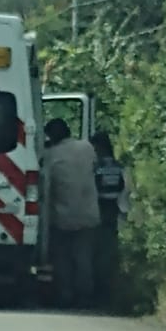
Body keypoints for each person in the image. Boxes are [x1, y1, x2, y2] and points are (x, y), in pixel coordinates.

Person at [42, 117, 101, 308]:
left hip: (63, 216)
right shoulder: (87, 148)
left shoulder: (51, 155)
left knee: (63, 259)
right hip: (89, 213)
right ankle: (85, 296)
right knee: (84, 259)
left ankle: (65, 294)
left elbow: (45, 186)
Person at [90, 131, 131, 305]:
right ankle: (109, 287)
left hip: (99, 210)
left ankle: (99, 289)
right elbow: (125, 191)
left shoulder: (96, 167)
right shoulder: (119, 167)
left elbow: (91, 189)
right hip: (114, 211)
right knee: (110, 249)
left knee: (96, 251)